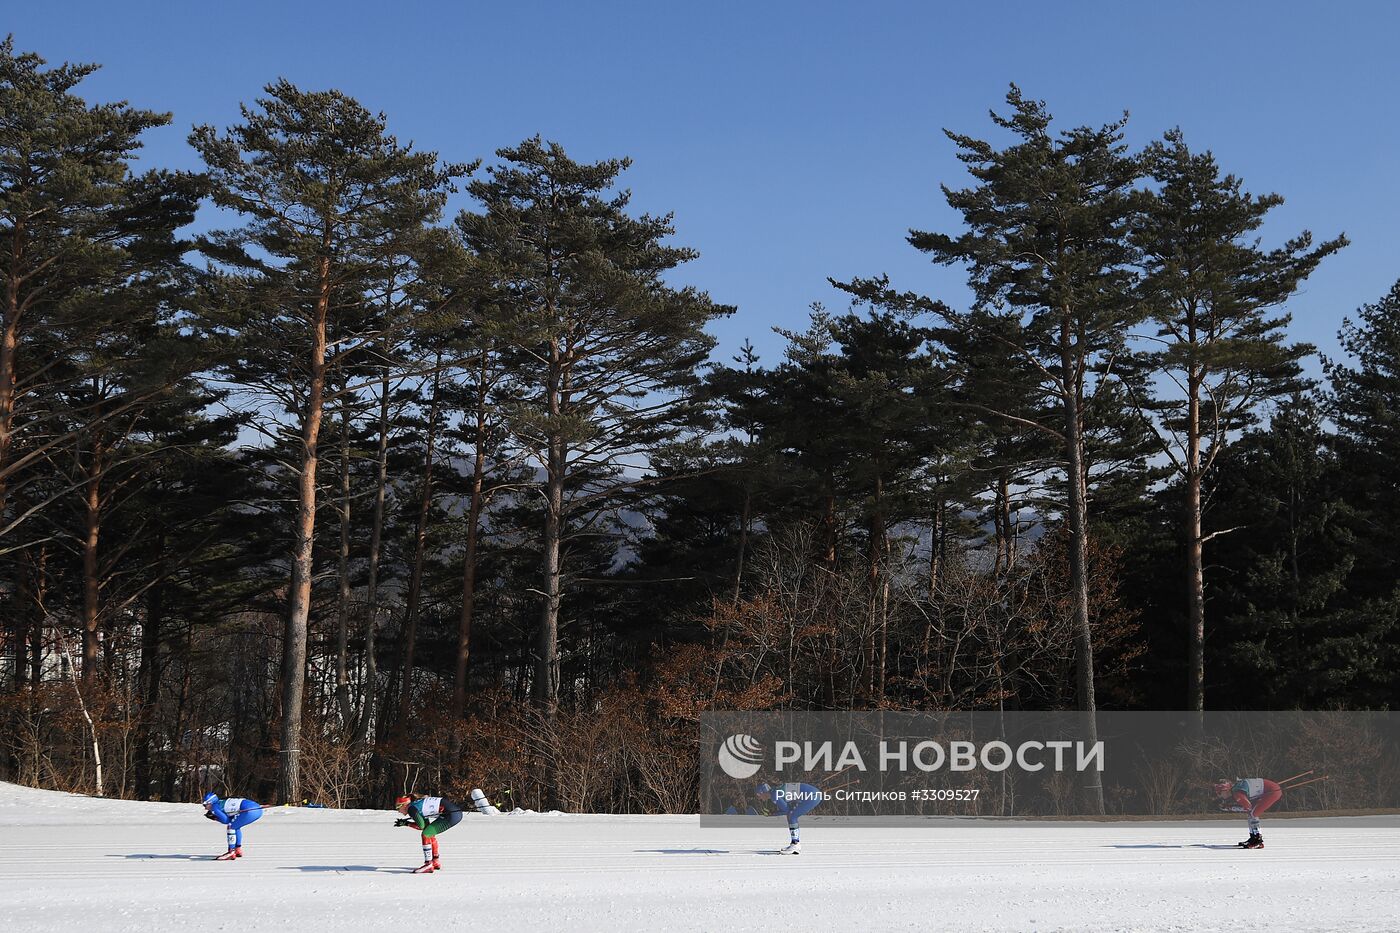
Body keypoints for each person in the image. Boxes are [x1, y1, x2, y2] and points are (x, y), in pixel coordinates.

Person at [395, 793, 464, 873]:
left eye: (398, 807)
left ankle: (428, 864)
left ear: (404, 805)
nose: (398, 811)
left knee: (426, 834)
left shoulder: (411, 809)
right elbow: (425, 826)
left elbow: (421, 826)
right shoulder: (416, 805)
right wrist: (407, 823)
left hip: (451, 815)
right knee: (429, 832)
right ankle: (435, 861)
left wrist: (407, 824)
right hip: (454, 814)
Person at [754, 782, 824, 855]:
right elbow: (788, 809)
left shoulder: (774, 795)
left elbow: (786, 811)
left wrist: (772, 814)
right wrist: (773, 813)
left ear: (762, 792)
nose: (759, 798)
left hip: (812, 796)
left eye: (758, 795)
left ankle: (795, 844)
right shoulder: (775, 791)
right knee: (791, 815)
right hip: (813, 794)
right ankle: (795, 844)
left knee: (792, 816)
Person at [1214, 777, 1283, 848]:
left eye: (1219, 792)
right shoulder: (1237, 790)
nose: (1219, 795)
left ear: (1226, 790)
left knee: (1253, 814)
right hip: (1272, 789)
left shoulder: (1237, 793)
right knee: (1252, 814)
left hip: (1273, 791)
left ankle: (1257, 840)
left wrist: (1230, 808)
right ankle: (1254, 838)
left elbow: (1248, 808)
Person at [202, 792, 263, 861]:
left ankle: (231, 852)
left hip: (249, 811)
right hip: (257, 810)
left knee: (231, 827)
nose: (205, 808)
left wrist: (215, 818)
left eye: (205, 805)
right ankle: (237, 849)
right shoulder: (220, 802)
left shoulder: (215, 807)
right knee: (235, 826)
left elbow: (226, 821)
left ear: (210, 803)